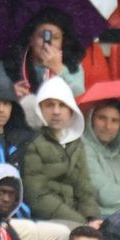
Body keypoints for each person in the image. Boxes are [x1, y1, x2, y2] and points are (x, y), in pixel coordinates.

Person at [21, 77, 97, 225]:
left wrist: (92, 218)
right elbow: (38, 197)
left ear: (71, 111)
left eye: (62, 105)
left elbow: (84, 188)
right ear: (40, 108)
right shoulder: (31, 143)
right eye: (49, 105)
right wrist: (82, 223)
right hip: (46, 221)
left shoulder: (76, 143)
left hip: (76, 219)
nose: (56, 111)